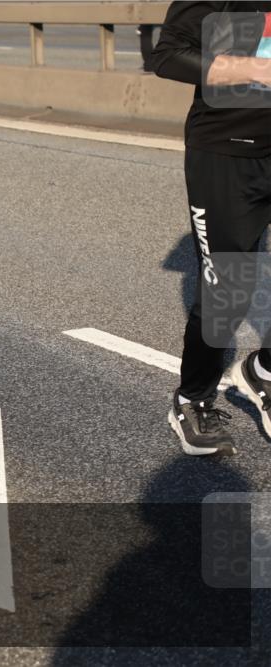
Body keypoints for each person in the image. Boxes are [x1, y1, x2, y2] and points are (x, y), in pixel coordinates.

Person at [152, 2, 271, 455]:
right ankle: (192, 398)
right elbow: (168, 55)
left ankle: (263, 372)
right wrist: (251, 69)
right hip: (225, 153)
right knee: (229, 289)